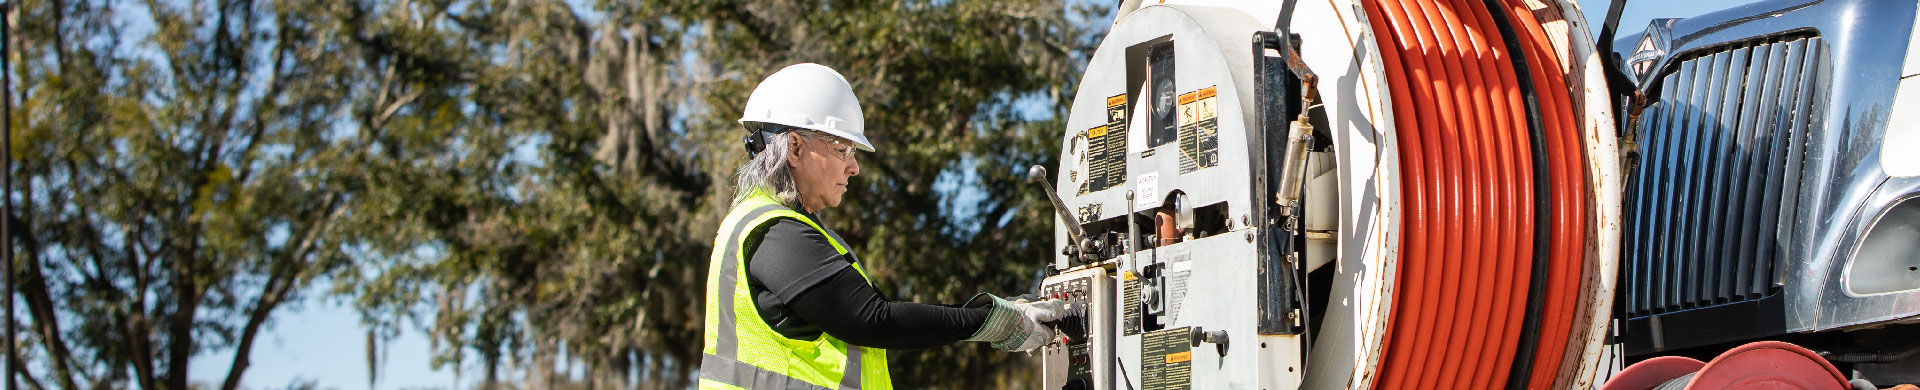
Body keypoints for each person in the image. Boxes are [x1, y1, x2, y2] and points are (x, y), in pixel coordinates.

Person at [698, 63, 1067, 390]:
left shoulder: (770, 226)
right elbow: (872, 319)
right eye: (842, 149)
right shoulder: (775, 233)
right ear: (794, 148)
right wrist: (991, 320)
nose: (853, 167)